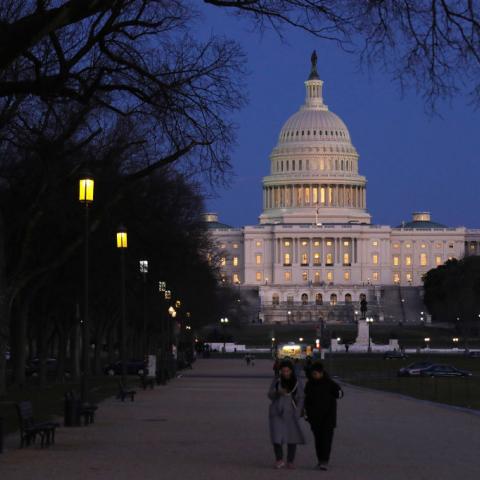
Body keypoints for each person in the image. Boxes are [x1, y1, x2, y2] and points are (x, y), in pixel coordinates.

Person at [304, 362, 343, 471]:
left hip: (328, 418)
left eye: (316, 373)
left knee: (326, 439)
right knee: (318, 440)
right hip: (314, 418)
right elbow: (307, 400)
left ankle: (325, 461)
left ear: (321, 373)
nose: (314, 376)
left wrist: (338, 393)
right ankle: (320, 460)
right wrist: (306, 414)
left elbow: (340, 394)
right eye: (313, 374)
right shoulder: (310, 384)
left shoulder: (330, 384)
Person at [268, 360, 306, 469]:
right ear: (280, 371)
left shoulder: (297, 381)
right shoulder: (277, 380)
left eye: (287, 371)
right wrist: (278, 392)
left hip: (291, 413)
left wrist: (298, 412)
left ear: (291, 370)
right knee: (276, 437)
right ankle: (279, 459)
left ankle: (290, 461)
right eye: (283, 371)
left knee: (291, 437)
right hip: (277, 413)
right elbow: (270, 395)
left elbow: (301, 397)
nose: (285, 373)